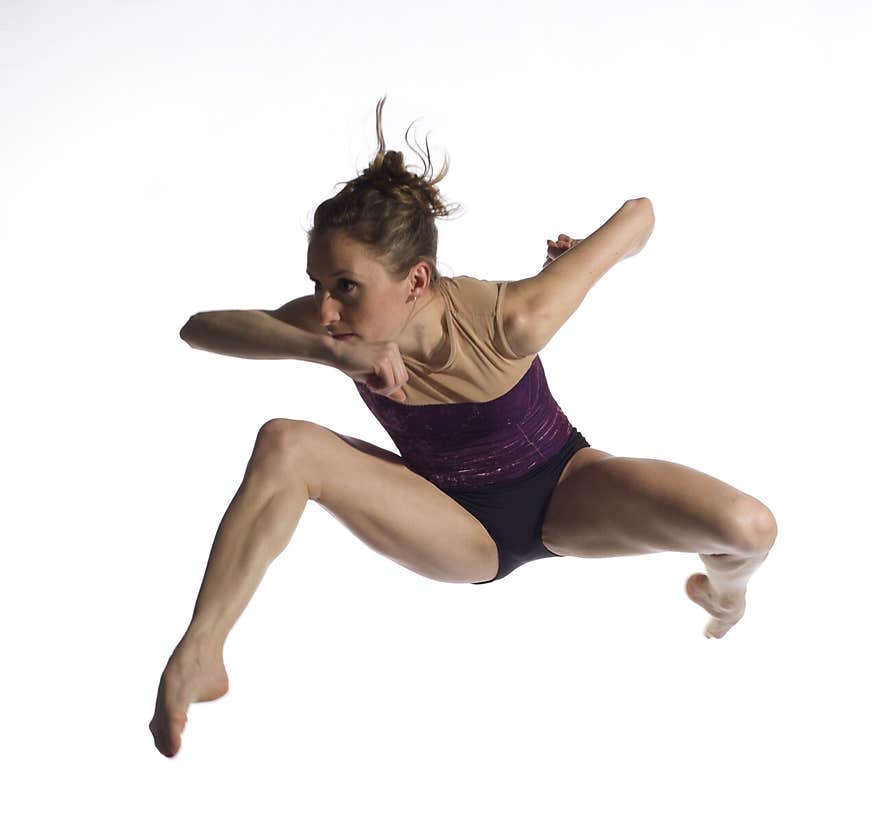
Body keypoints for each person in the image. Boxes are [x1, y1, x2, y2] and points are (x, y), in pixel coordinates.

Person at [149, 96, 777, 758]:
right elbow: (200, 328)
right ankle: (201, 652)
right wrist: (328, 350)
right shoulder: (333, 328)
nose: (325, 306)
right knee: (287, 442)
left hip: (567, 489)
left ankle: (725, 595)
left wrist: (578, 257)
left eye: (345, 287)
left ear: (417, 279)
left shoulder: (517, 318)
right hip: (453, 525)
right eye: (318, 284)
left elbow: (640, 216)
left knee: (748, 529)